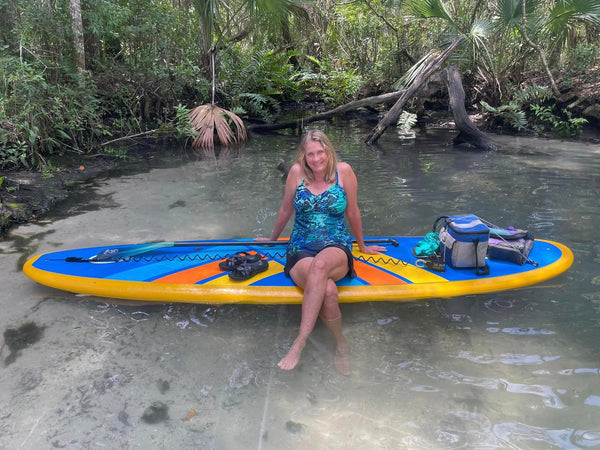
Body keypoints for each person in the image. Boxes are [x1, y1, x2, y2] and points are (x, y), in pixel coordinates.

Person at [259, 129, 386, 375]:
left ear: (328, 150)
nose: (316, 159)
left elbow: (353, 213)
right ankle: (341, 344)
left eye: (320, 153)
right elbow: (286, 210)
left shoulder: (344, 172)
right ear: (303, 156)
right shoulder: (296, 173)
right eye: (310, 155)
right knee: (327, 290)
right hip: (300, 248)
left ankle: (300, 341)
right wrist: (271, 240)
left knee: (320, 266)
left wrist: (362, 245)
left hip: (335, 245)